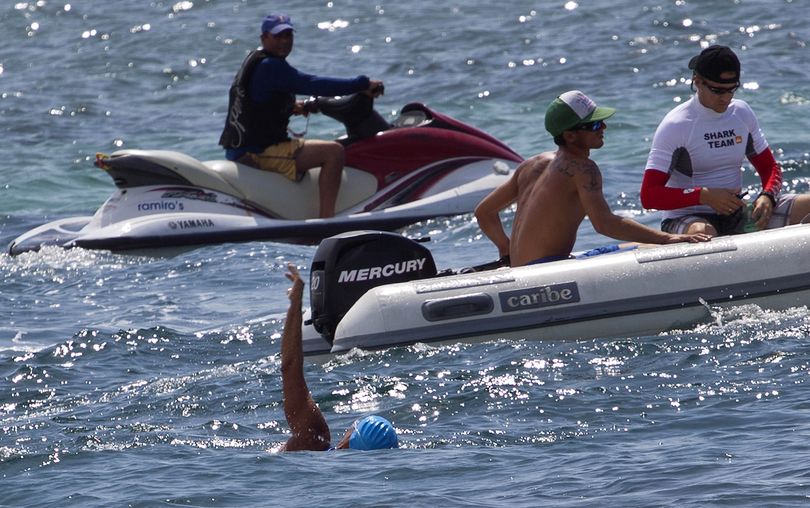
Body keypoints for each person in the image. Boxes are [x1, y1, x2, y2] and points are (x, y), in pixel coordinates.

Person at [479, 90, 710, 268]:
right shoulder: (583, 169)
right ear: (570, 136)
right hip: (544, 271)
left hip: (524, 268)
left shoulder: (531, 164)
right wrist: (668, 237)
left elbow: (485, 212)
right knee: (659, 247)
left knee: (644, 246)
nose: (604, 127)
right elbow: (604, 224)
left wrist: (505, 249)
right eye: (595, 124)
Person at [219, 14, 383, 218]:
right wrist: (362, 84)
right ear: (264, 38)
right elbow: (312, 83)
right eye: (278, 36)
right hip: (256, 152)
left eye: (288, 35)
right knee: (333, 152)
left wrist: (294, 107)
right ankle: (327, 221)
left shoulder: (257, 62)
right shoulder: (271, 67)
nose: (285, 41)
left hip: (245, 148)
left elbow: (257, 101)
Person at [640, 45, 810, 236]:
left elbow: (770, 168)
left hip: (736, 215)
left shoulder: (741, 113)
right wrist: (704, 196)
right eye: (718, 91)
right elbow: (649, 196)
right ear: (697, 81)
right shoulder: (676, 125)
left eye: (732, 90)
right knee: (704, 232)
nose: (726, 98)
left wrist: (768, 195)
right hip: (688, 218)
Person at [279, 263, 399, 452]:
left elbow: (289, 367)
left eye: (354, 427)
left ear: (351, 439)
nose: (349, 428)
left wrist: (295, 304)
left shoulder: (312, 439)